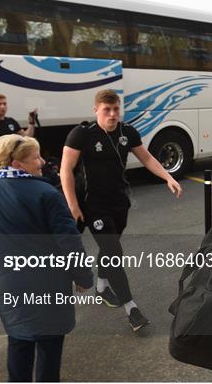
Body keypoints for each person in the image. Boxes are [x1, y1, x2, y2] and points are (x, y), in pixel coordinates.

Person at [0, 134, 94, 382]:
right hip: (48, 283)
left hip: (6, 285)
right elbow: (69, 242)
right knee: (50, 345)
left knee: (18, 338)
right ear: (16, 163)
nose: (43, 161)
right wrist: (83, 277)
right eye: (35, 157)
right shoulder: (46, 193)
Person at [60, 89, 183, 332]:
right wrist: (73, 205)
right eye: (107, 109)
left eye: (116, 108)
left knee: (111, 245)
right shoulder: (81, 134)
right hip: (92, 204)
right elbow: (65, 170)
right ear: (96, 109)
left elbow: (147, 158)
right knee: (113, 250)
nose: (113, 114)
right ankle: (132, 309)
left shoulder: (128, 132)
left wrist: (168, 177)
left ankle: (102, 285)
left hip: (119, 202)